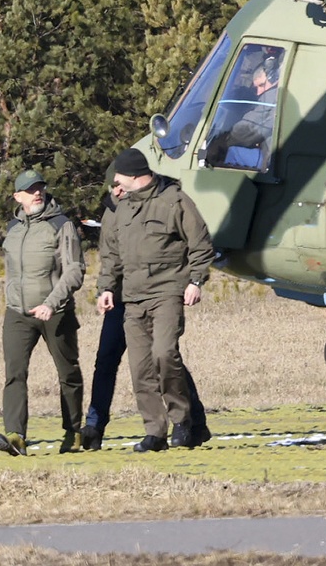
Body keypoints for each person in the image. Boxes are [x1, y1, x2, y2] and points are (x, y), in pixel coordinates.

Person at [96, 149, 214, 452]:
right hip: (132, 299)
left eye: (120, 178)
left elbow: (200, 244)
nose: (116, 185)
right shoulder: (121, 209)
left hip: (167, 292)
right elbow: (111, 254)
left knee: (164, 354)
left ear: (135, 176)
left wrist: (195, 281)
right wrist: (106, 287)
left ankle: (183, 419)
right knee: (141, 369)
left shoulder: (174, 201)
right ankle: (155, 431)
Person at [0, 170, 86, 456]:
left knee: (68, 373)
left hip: (55, 312)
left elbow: (75, 270)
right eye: (31, 189)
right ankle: (15, 435)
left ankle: (73, 432)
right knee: (14, 373)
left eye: (40, 188)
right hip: (18, 314)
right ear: (17, 196)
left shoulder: (61, 225)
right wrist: (11, 298)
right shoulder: (13, 228)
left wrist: (51, 302)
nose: (37, 193)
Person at [206, 57, 280, 170]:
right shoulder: (277, 95)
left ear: (274, 78)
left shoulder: (272, 97)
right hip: (274, 156)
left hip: (272, 163)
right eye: (256, 88)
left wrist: (223, 139)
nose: (259, 92)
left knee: (231, 154)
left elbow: (247, 130)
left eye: (261, 85)